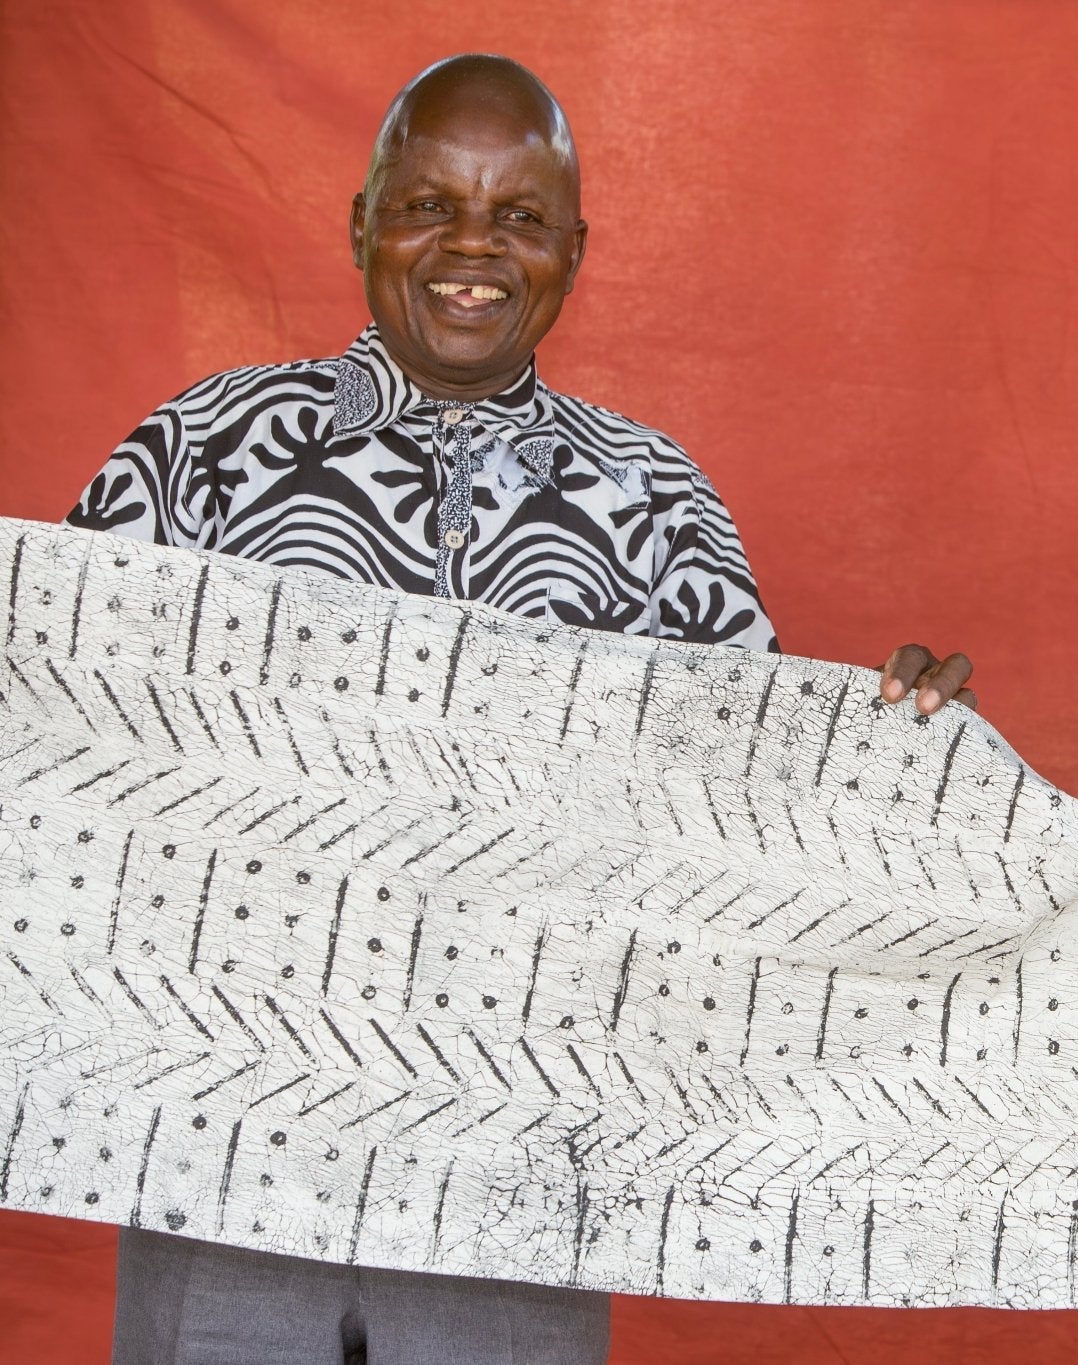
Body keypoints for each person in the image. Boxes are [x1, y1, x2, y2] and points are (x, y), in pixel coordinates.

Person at [66, 52, 971, 1365]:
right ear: (362, 220)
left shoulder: (656, 504)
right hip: (227, 1155)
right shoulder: (199, 454)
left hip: (522, 1175)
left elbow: (752, 817)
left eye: (520, 216)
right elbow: (48, 739)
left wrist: (893, 747)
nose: (470, 247)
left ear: (575, 251)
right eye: (429, 203)